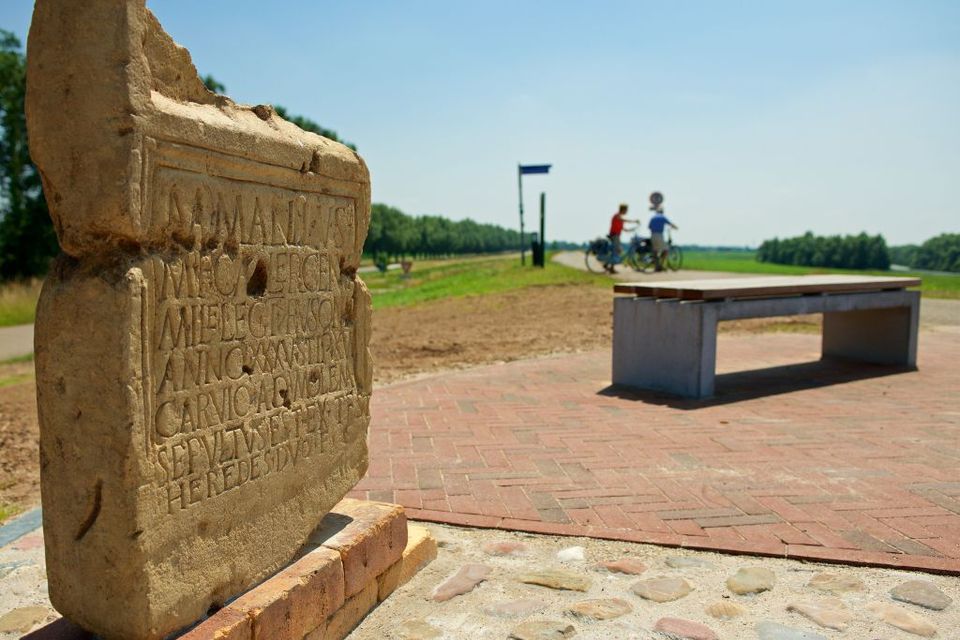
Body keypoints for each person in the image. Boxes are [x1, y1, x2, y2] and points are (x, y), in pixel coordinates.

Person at [647, 191, 678, 271]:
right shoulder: (663, 217)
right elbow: (670, 224)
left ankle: (656, 267)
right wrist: (675, 227)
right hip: (659, 235)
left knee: (655, 251)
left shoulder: (653, 217)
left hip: (652, 235)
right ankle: (661, 264)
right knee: (666, 249)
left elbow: (649, 227)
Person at [607, 203, 638, 273]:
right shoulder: (617, 216)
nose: (626, 211)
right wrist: (634, 221)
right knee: (616, 250)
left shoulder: (620, 218)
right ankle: (611, 268)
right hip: (614, 235)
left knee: (616, 250)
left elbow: (624, 229)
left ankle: (608, 265)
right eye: (626, 210)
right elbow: (624, 220)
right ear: (623, 210)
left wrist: (632, 229)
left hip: (617, 235)